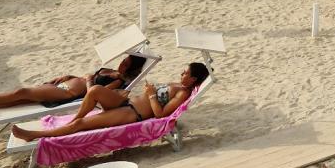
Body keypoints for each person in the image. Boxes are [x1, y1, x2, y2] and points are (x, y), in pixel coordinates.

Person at [11, 63, 209, 142]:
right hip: (127, 102)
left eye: (186, 73)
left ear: (193, 80)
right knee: (96, 90)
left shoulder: (182, 94)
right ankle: (76, 119)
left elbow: (160, 115)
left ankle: (35, 135)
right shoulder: (179, 85)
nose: (182, 73)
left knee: (81, 125)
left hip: (132, 114)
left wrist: (150, 94)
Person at [0, 54, 146, 109]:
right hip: (66, 83)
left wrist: (88, 79)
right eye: (123, 61)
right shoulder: (112, 71)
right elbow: (87, 79)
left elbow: (94, 94)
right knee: (21, 100)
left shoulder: (118, 82)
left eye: (126, 65)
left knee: (22, 92)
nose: (121, 65)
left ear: (131, 69)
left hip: (66, 92)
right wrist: (70, 76)